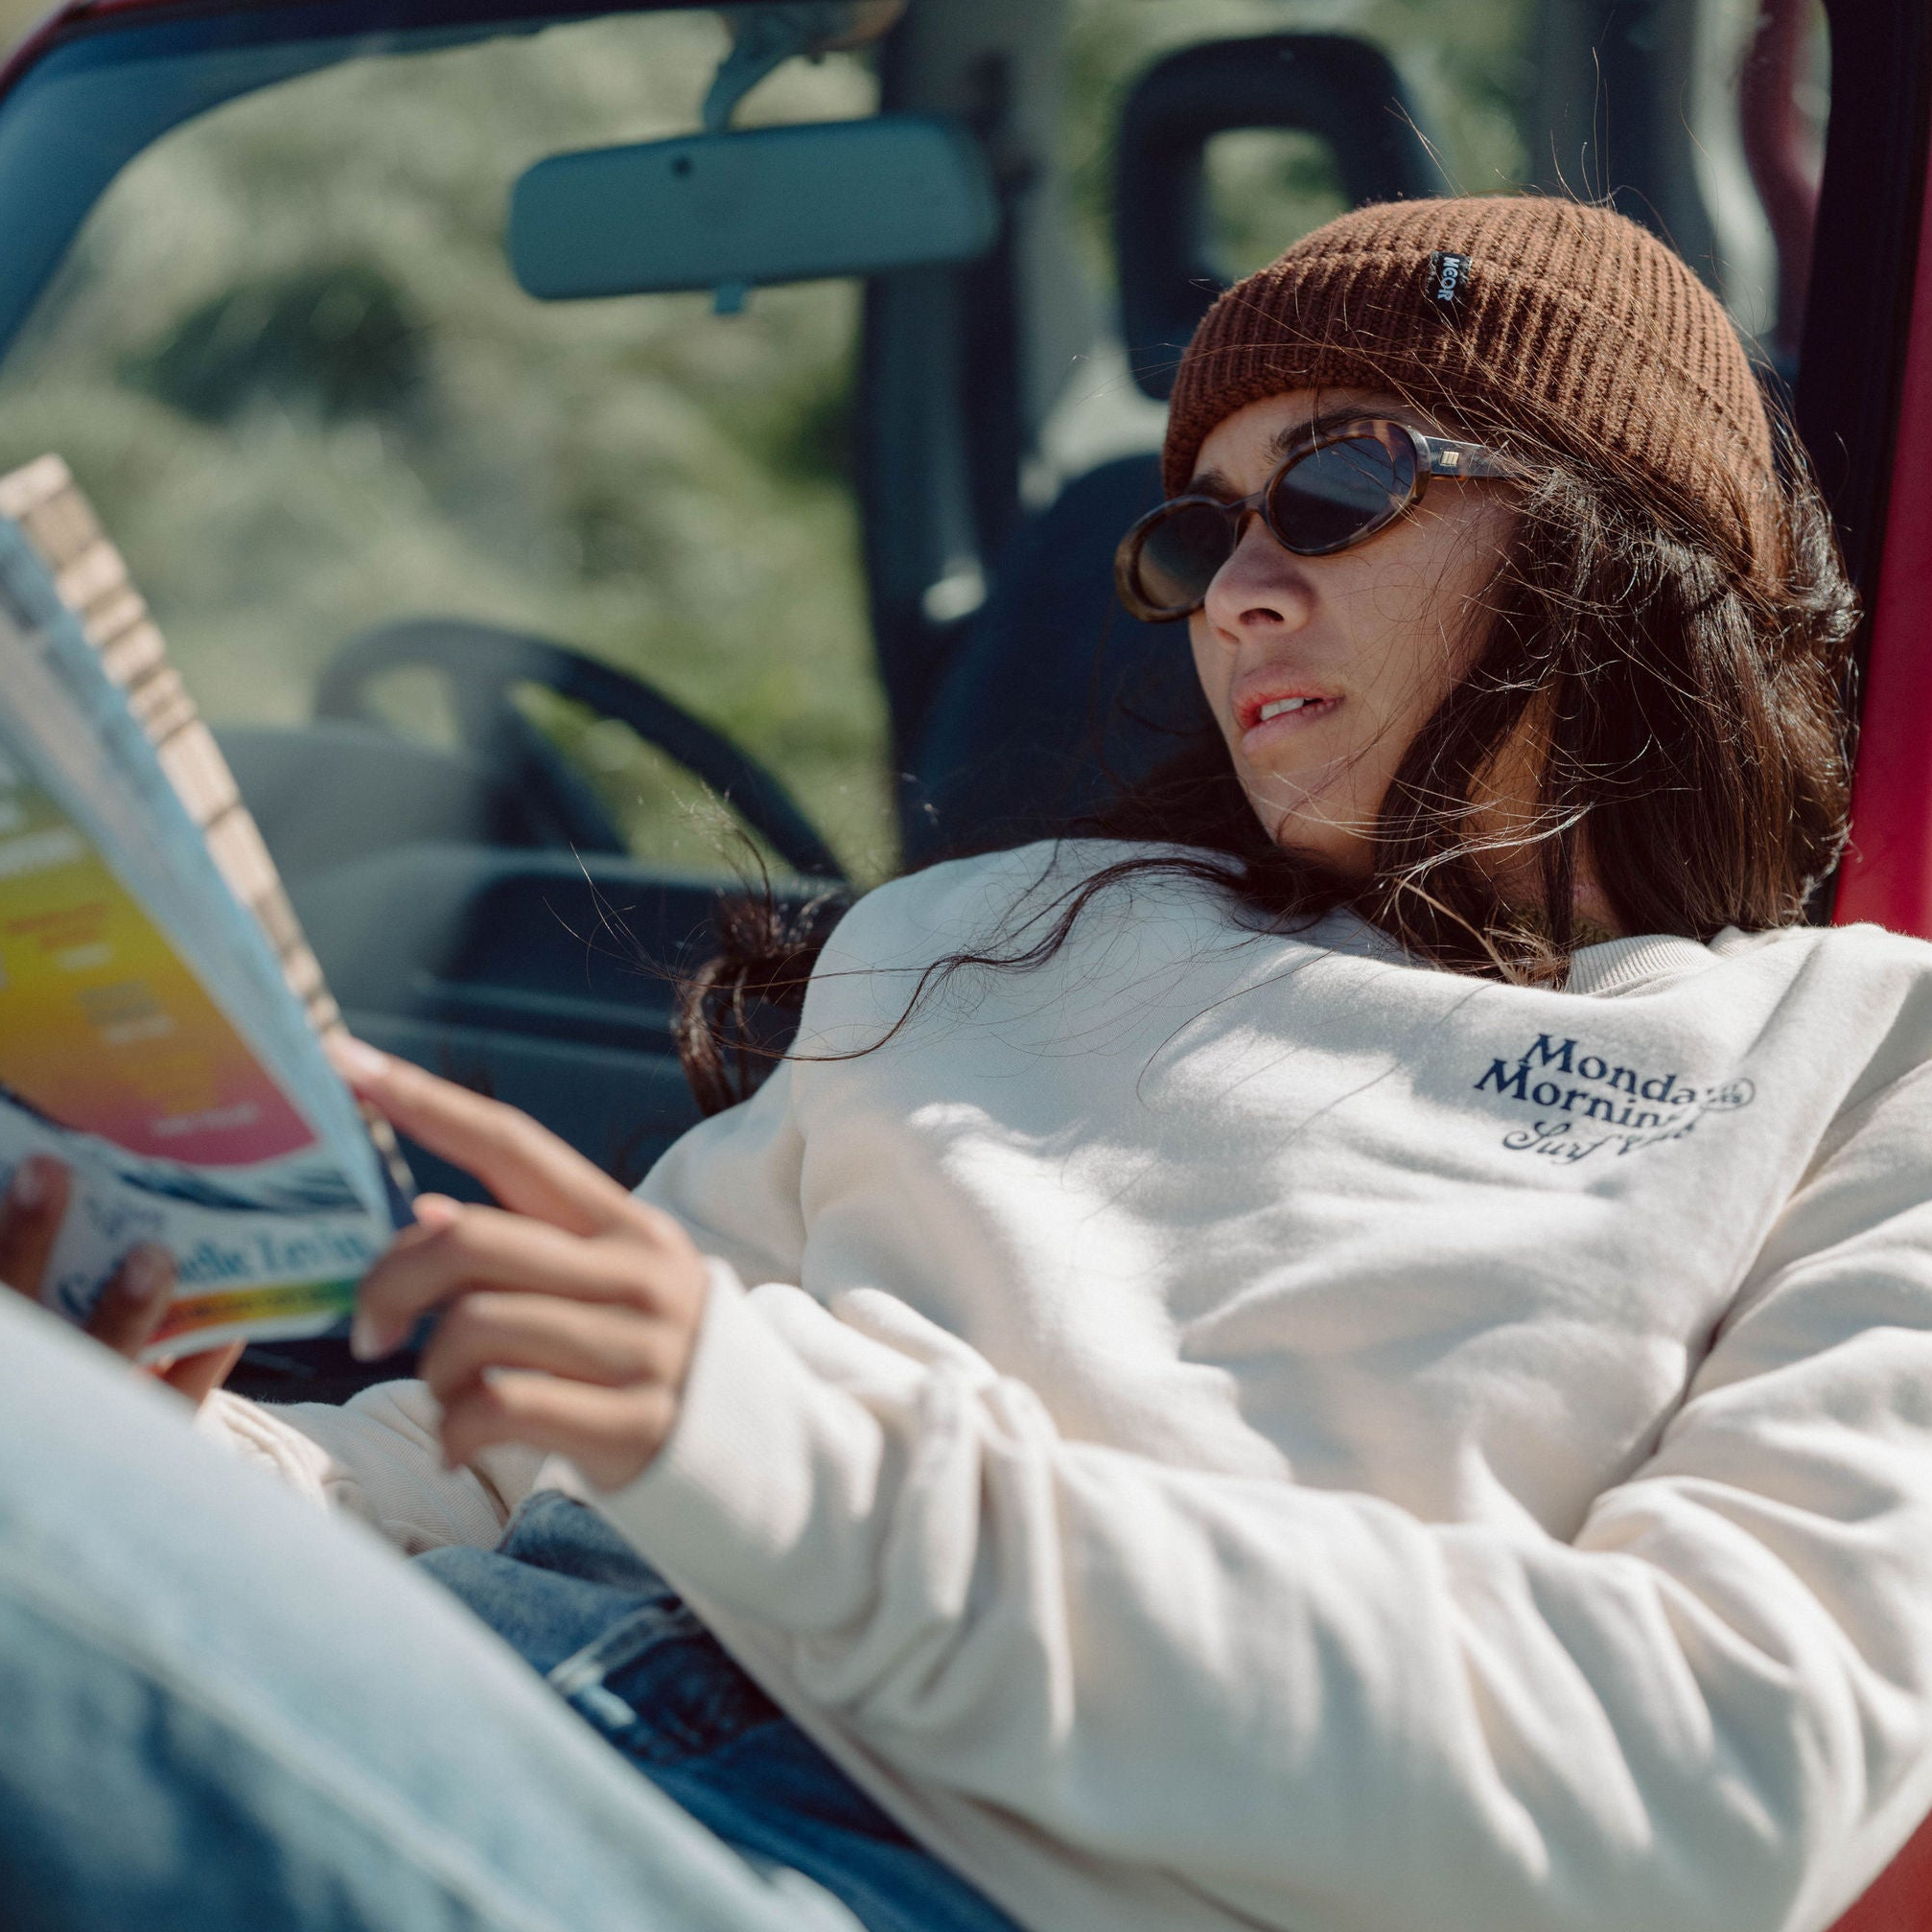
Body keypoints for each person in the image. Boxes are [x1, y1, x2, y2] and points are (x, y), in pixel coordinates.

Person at [3, 194, 1929, 1932]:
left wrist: (778, 1455)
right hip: (474, 1687)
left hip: (901, 1864)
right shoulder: (996, 925)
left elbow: (1710, 1781)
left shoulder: (1856, 1063)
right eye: (1192, 534)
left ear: (1626, 527)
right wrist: (185, 1442)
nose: (1239, 587)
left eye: (1336, 484)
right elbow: (477, 1474)